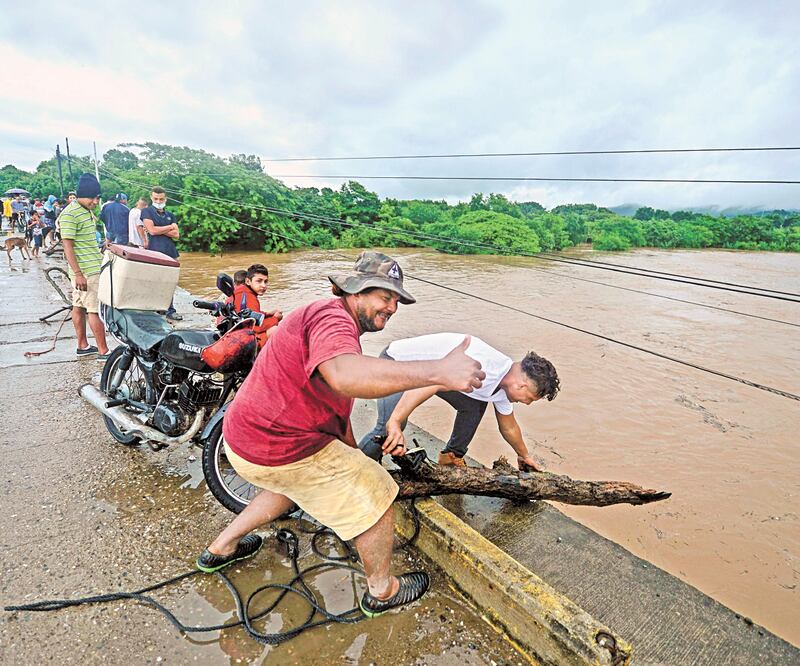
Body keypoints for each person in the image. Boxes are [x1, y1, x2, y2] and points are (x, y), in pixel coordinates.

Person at [196, 251, 485, 618]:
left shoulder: (331, 325)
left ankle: (221, 548)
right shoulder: (331, 317)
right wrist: (439, 371)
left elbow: (337, 405)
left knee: (289, 488)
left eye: (397, 300)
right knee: (378, 490)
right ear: (355, 292)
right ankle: (382, 591)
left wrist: (352, 452)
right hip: (276, 445)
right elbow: (346, 376)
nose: (393, 307)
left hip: (244, 442)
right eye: (385, 297)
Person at [359, 333, 560, 470]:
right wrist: (395, 420)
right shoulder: (482, 367)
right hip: (397, 364)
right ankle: (353, 468)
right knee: (386, 431)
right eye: (531, 399)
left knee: (474, 404)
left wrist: (524, 456)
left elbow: (509, 426)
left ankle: (450, 459)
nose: (527, 404)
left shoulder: (504, 384)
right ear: (522, 386)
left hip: (429, 375)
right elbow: (431, 384)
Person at [60, 173, 110, 359]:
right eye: (93, 198)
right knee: (94, 309)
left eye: (97, 198)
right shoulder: (70, 214)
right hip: (86, 272)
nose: (95, 202)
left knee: (79, 306)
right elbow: (67, 245)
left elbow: (85, 241)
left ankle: (82, 345)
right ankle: (104, 351)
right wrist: (78, 273)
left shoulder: (85, 211)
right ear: (81, 195)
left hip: (89, 268)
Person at [140, 186, 181, 321]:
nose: (158, 201)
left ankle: (170, 309)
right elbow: (151, 230)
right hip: (154, 252)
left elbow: (176, 234)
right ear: (151, 198)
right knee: (155, 281)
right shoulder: (146, 212)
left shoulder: (170, 215)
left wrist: (160, 229)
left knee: (170, 282)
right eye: (156, 198)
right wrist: (169, 227)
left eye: (161, 199)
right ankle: (155, 308)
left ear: (165, 199)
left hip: (170, 252)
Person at [229, 263, 282, 346]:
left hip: (232, 336)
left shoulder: (240, 292)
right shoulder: (248, 297)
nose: (264, 285)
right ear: (248, 281)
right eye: (259, 281)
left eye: (266, 281)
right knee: (275, 330)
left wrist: (267, 314)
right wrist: (275, 318)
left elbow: (250, 314)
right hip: (241, 342)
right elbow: (256, 326)